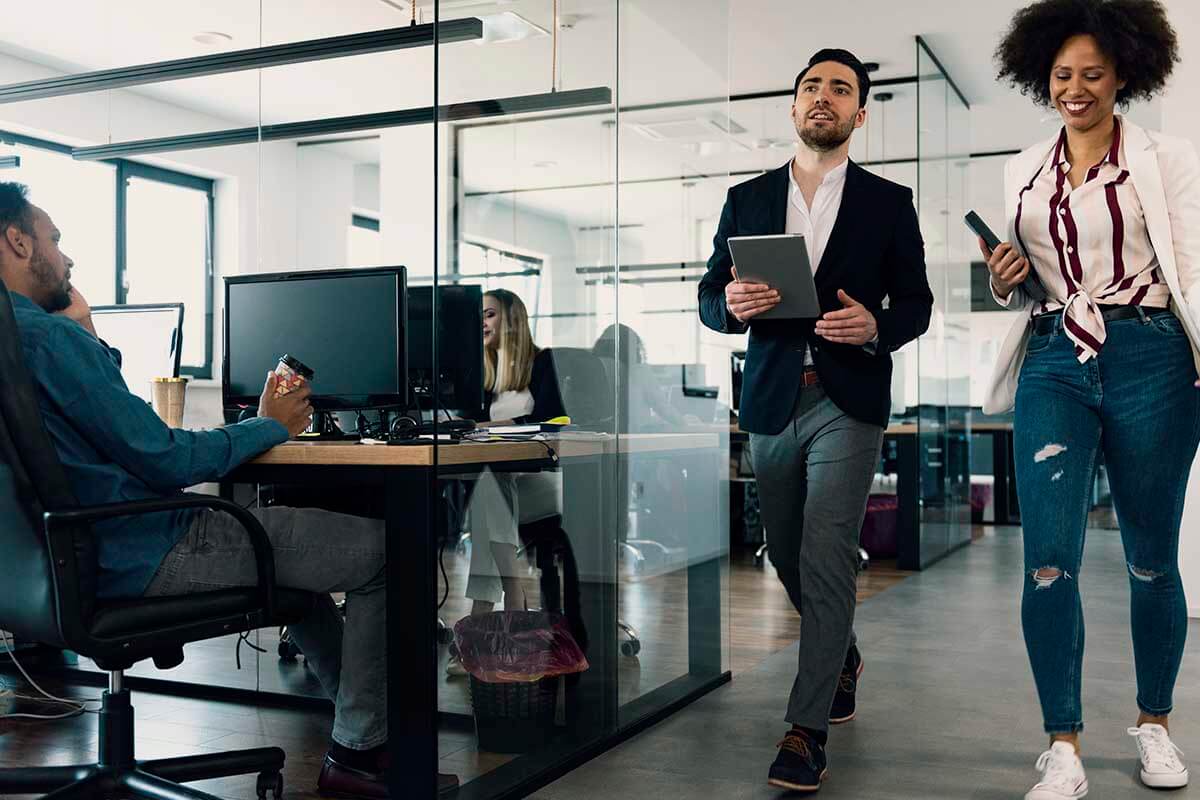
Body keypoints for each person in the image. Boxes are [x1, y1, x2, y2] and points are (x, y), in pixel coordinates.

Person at [0, 182, 457, 798]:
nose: (68, 257)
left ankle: (367, 737)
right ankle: (357, 753)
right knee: (392, 551)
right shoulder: (50, 339)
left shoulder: (17, 343)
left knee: (302, 581)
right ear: (18, 241)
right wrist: (270, 424)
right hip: (145, 549)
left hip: (45, 574)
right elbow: (163, 459)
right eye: (55, 240)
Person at [698, 49, 932, 793]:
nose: (821, 97)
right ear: (793, 109)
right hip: (770, 398)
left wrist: (876, 326)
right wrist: (727, 307)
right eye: (810, 87)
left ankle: (805, 730)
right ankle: (844, 655)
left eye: (839, 88)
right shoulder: (747, 198)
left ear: (860, 114)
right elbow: (709, 294)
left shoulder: (889, 202)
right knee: (786, 552)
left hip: (847, 401)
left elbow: (917, 304)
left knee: (828, 553)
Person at [984, 2, 1199, 797]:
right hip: (1052, 359)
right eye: (1063, 75)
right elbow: (1023, 280)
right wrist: (1002, 280)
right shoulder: (1022, 169)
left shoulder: (1165, 157)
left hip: (1151, 355)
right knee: (1047, 562)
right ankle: (1063, 745)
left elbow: (1194, 263)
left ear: (1124, 76)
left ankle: (1155, 727)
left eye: (1093, 74)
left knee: (1150, 559)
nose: (1075, 89)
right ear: (1043, 76)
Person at [446, 289, 565, 676]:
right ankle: (512, 595)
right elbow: (466, 426)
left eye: (490, 314)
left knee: (488, 487)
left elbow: (555, 420)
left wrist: (494, 427)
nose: (481, 322)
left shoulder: (543, 363)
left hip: (541, 479)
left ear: (511, 320)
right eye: (478, 316)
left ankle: (483, 616)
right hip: (497, 479)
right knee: (489, 484)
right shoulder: (481, 372)